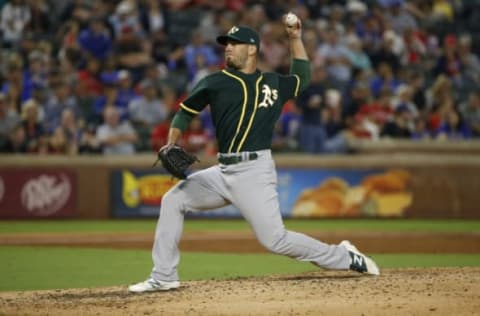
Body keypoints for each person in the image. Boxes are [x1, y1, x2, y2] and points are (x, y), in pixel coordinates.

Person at [128, 17, 380, 293]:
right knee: (172, 200)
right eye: (226, 44)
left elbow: (301, 78)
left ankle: (345, 257)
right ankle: (164, 275)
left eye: (234, 44)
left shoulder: (272, 82)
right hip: (222, 172)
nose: (228, 48)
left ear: (252, 49)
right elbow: (185, 113)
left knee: (275, 240)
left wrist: (295, 39)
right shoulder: (214, 82)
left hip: (254, 172)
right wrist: (170, 142)